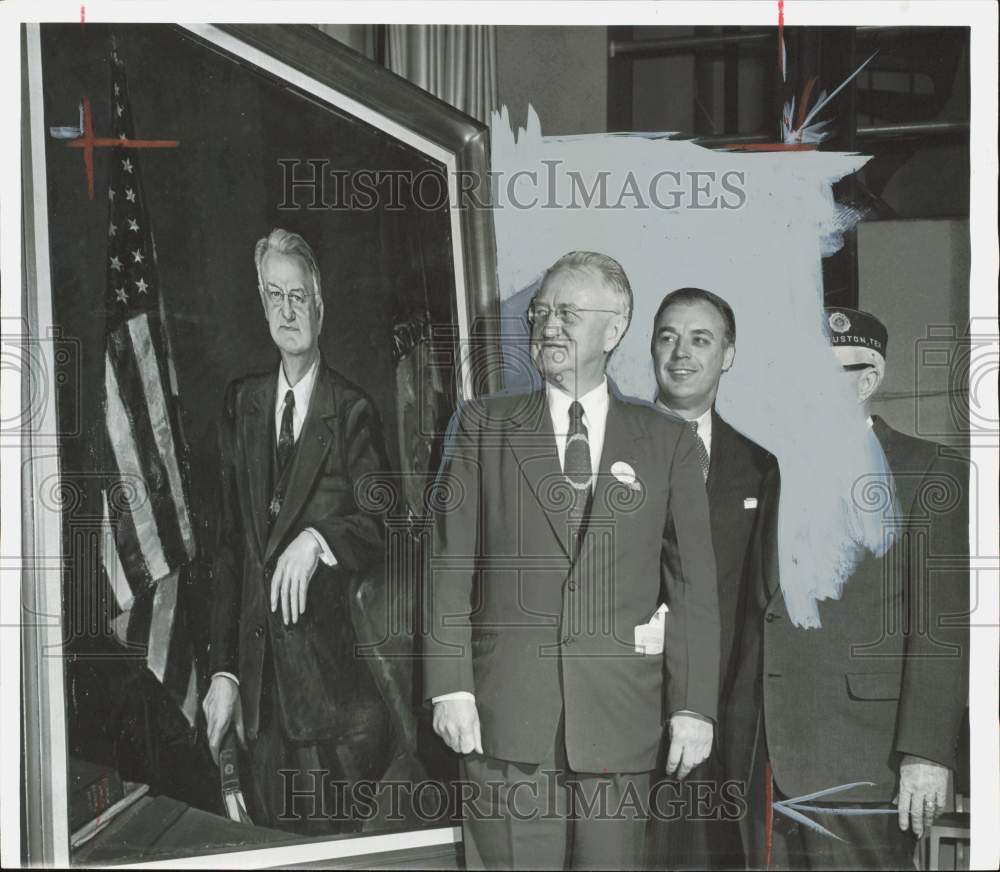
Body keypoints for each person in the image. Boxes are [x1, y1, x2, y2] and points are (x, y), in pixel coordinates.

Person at [423, 251, 721, 870]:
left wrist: (693, 705)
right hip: (505, 725)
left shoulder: (668, 443)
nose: (549, 326)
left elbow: (693, 588)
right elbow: (447, 567)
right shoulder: (482, 427)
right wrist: (449, 687)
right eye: (541, 312)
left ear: (614, 330)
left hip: (620, 724)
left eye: (568, 312)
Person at [724, 306, 969, 870]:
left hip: (864, 759)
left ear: (869, 380)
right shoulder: (776, 474)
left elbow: (940, 628)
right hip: (768, 759)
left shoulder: (927, 471)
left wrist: (925, 754)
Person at [202, 228, 394, 833]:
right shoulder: (243, 404)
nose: (289, 311)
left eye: (300, 296)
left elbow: (383, 523)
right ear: (262, 306)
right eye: (275, 296)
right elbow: (232, 550)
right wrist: (224, 671)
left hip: (333, 711)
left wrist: (320, 541)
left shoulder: (354, 409)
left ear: (320, 303)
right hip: (257, 706)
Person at [646, 288, 779, 870]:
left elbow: (756, 600)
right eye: (668, 336)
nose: (682, 353)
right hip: (629, 710)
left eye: (701, 339)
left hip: (722, 718)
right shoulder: (601, 450)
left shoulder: (759, 466)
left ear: (727, 354)